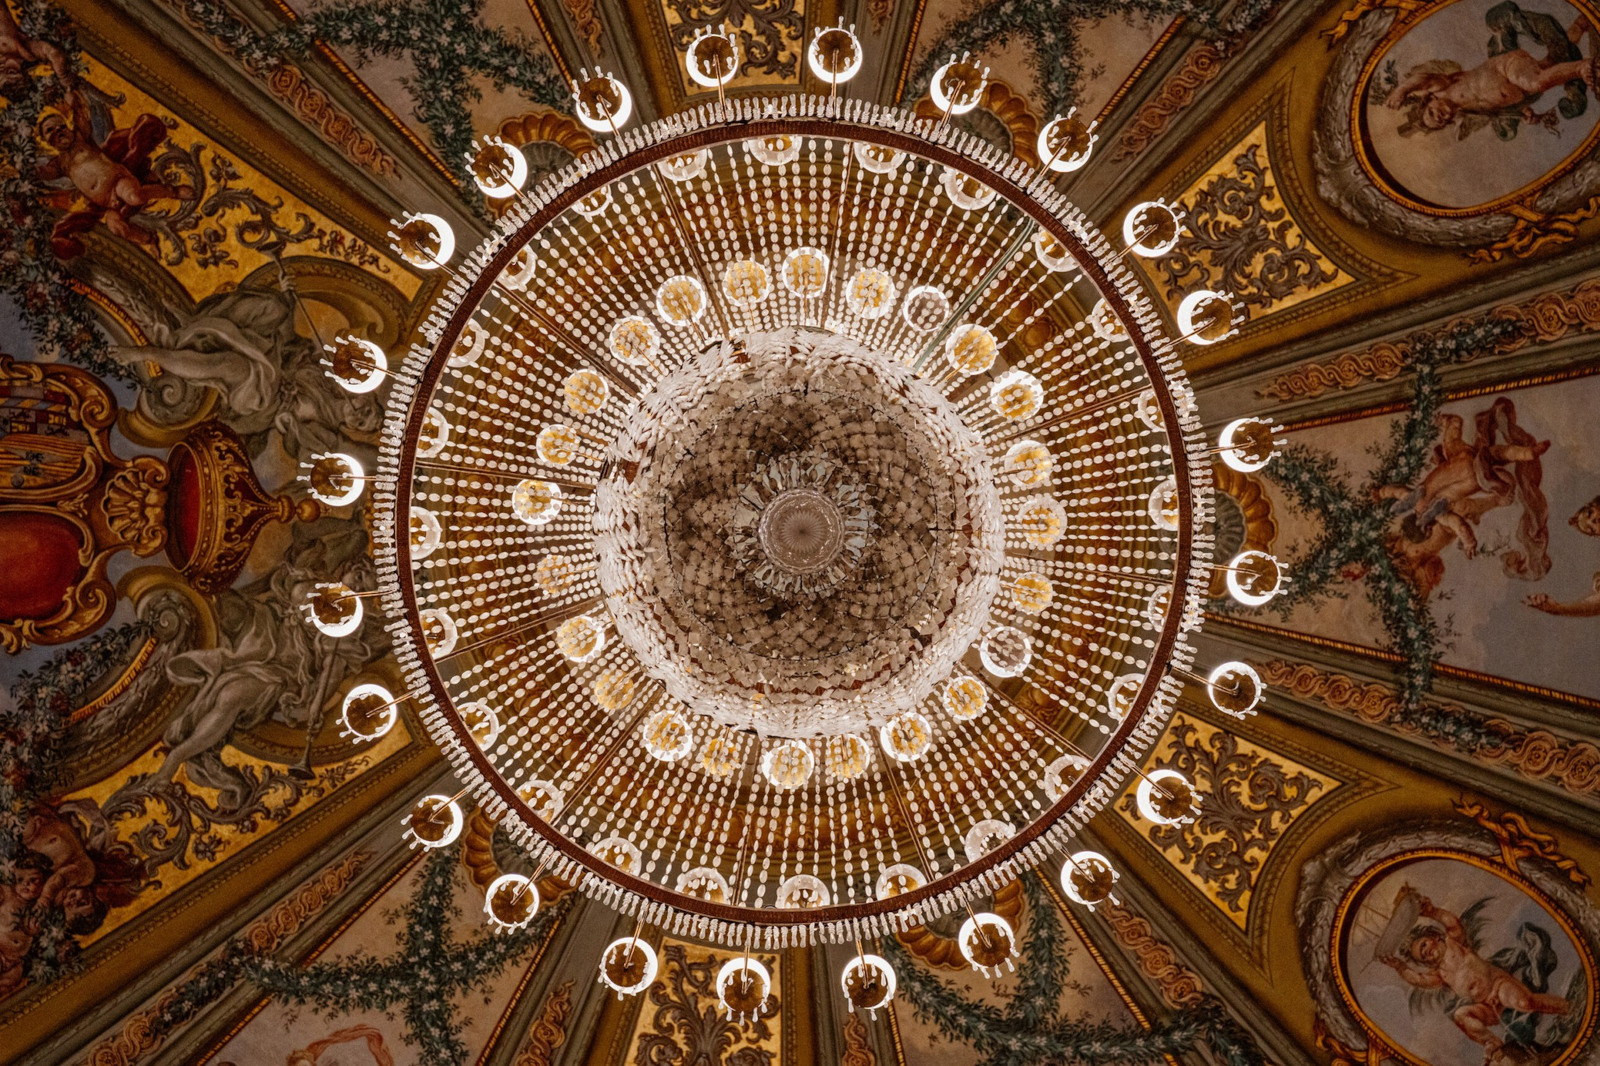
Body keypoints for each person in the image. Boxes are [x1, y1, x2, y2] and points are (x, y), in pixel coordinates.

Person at [1381, 890, 1570, 1058]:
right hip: (1484, 1005)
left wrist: (1432, 912)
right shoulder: (1440, 974)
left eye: (1424, 945)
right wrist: (1399, 966)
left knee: (1525, 1003)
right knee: (1462, 1015)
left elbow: (1453, 923)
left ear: (1433, 937)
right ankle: (1491, 1042)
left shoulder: (1454, 944)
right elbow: (1419, 980)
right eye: (1422, 956)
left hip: (1497, 985)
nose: (1426, 952)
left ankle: (1567, 1008)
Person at [1385, 3, 1597, 138]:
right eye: (1440, 121)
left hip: (1506, 67)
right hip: (1521, 88)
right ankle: (1581, 23)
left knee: (1538, 81)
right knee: (1555, 60)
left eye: (1431, 112)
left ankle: (1583, 67)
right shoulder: (1470, 112)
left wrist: (1401, 90)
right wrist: (1526, 114)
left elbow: (1423, 78)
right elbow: (1501, 110)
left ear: (1429, 99)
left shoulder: (1444, 87)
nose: (1438, 115)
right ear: (1448, 122)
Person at [34, 86, 194, 258]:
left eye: (61, 126)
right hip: (105, 203)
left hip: (118, 181)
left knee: (135, 197)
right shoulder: (60, 164)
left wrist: (72, 97)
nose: (58, 130)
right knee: (117, 228)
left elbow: (80, 111)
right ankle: (148, 239)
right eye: (50, 130)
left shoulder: (81, 138)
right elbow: (40, 173)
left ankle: (172, 191)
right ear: (46, 141)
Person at [0, 0, 73, 92]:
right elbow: (52, 52)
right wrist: (63, 77)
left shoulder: (20, 51)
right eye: (17, 79)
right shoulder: (25, 52)